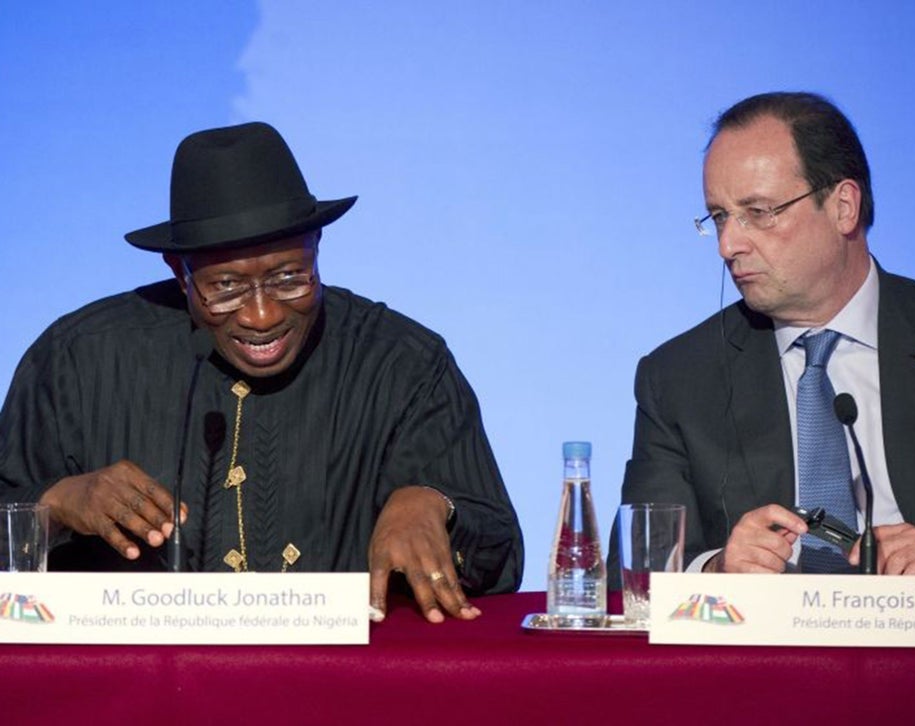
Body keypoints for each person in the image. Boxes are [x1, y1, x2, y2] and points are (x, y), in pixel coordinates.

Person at [0, 121, 524, 621]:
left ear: (318, 250)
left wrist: (435, 504)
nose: (262, 315)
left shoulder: (402, 362)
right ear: (180, 275)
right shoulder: (78, 359)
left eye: (290, 277)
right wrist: (54, 502)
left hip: (340, 698)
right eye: (225, 287)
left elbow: (501, 558)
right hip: (142, 700)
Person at [614, 91, 915, 578]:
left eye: (759, 212)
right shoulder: (679, 377)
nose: (729, 244)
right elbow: (634, 571)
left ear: (843, 206)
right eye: (720, 216)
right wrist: (716, 570)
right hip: (764, 650)